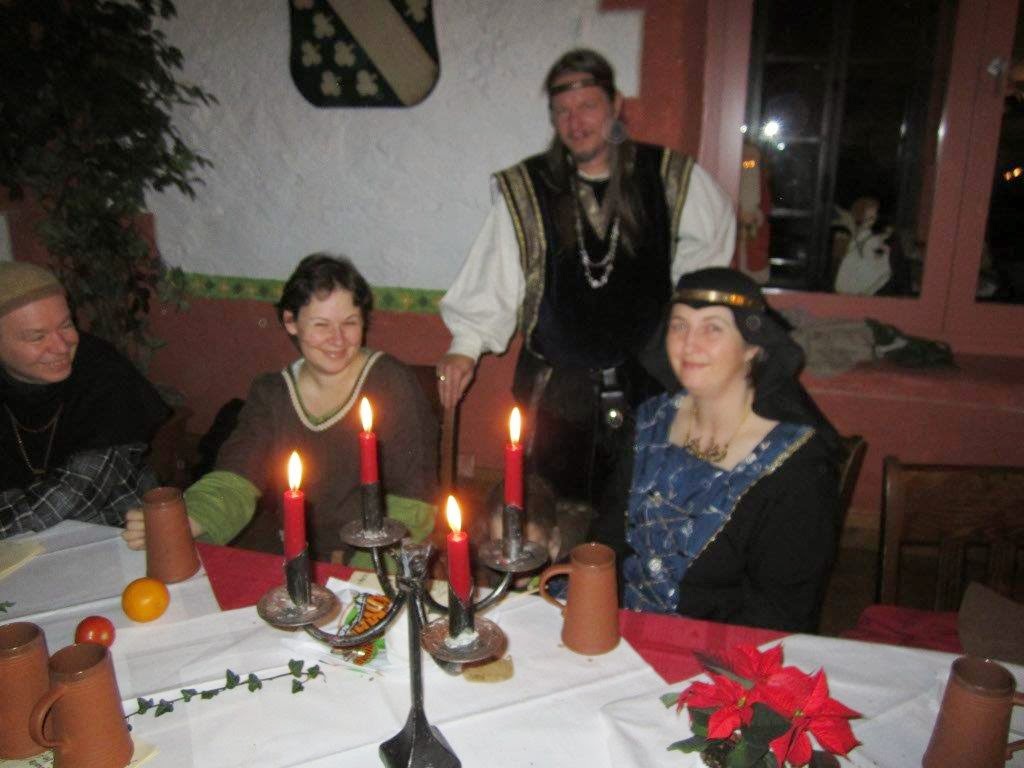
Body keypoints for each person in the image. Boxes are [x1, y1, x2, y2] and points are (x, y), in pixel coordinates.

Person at [436, 48, 735, 523]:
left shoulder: (668, 177)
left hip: (647, 391)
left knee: (638, 522)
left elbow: (708, 264)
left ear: (615, 105)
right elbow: (495, 273)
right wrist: (464, 347)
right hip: (556, 398)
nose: (575, 123)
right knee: (547, 523)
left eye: (588, 106)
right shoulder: (529, 189)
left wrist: (686, 333)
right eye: (563, 111)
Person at [122, 254, 439, 563]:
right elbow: (236, 477)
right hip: (296, 553)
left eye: (350, 323)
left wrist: (366, 568)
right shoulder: (272, 392)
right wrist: (185, 519)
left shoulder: (390, 382)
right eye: (321, 324)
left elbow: (414, 498)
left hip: (377, 554)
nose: (338, 339)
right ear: (291, 322)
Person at [600, 267, 840, 632]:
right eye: (679, 325)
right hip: (615, 628)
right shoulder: (651, 423)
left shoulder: (796, 467)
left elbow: (780, 613)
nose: (689, 344)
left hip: (716, 652)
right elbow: (607, 539)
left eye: (712, 328)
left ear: (752, 347)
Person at [0, 262, 171, 537]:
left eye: (66, 325)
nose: (61, 346)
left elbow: (75, 495)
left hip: (121, 532)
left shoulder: (104, 373)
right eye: (37, 337)